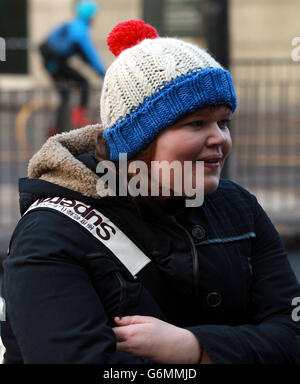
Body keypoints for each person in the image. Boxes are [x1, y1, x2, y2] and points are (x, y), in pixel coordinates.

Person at [1, 19, 300, 364]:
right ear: (137, 142)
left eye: (223, 121)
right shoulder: (51, 236)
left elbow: (291, 333)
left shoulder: (238, 207)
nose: (220, 138)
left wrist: (193, 347)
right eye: (196, 123)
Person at [39, 1, 106, 134]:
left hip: (53, 63)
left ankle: (59, 127)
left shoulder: (70, 25)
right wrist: (105, 73)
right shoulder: (80, 32)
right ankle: (76, 119)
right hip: (55, 65)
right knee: (82, 84)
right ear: (91, 16)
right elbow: (91, 57)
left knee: (66, 93)